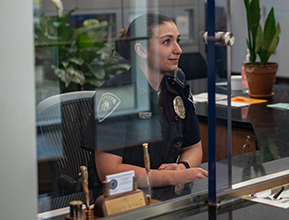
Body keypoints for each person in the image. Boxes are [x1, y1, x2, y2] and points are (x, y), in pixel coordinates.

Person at [82, 13, 208, 188]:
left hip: (166, 194)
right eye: (167, 42)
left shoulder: (177, 88)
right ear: (140, 50)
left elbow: (193, 148)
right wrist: (171, 177)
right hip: (122, 198)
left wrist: (182, 167)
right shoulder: (117, 94)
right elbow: (109, 171)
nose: (178, 49)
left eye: (177, 40)